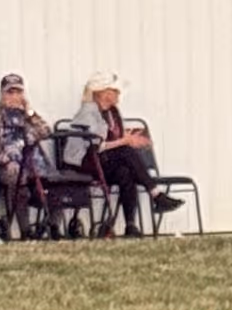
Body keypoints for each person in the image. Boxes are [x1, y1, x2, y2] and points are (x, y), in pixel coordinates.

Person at [73, 78, 176, 237]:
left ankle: (130, 225)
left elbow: (116, 140)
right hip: (86, 162)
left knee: (126, 173)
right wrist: (124, 141)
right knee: (126, 151)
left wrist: (130, 140)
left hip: (105, 161)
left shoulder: (112, 113)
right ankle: (156, 194)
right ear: (103, 93)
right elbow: (96, 146)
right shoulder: (88, 112)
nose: (119, 94)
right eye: (115, 91)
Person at [0, 74, 50, 240]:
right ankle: (26, 231)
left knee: (55, 184)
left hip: (33, 162)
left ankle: (51, 226)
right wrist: (5, 160)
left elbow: (46, 131)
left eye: (18, 92)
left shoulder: (28, 115)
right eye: (10, 92)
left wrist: (29, 112)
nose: (14, 96)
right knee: (17, 180)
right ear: (3, 94)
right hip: (9, 165)